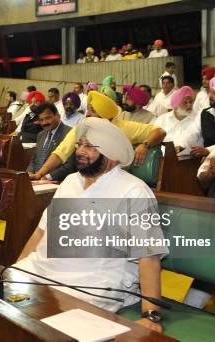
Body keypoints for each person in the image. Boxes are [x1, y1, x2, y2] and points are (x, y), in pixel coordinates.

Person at [16, 117, 168, 332]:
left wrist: (151, 316)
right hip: (38, 272)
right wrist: (14, 269)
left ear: (112, 156)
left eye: (89, 146)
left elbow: (149, 256)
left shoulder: (134, 191)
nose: (79, 151)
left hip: (88, 286)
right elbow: (41, 233)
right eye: (80, 144)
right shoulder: (69, 182)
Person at [31, 91, 166, 182]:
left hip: (115, 179)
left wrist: (145, 145)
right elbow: (60, 153)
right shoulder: (83, 127)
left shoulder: (123, 126)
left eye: (92, 111)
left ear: (103, 114)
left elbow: (160, 132)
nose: (87, 114)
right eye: (88, 109)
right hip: (87, 176)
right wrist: (41, 173)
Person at [175, 74, 215, 157]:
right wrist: (181, 146)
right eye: (210, 92)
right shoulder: (204, 112)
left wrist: (208, 150)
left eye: (214, 93)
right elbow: (192, 133)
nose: (210, 96)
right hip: (205, 160)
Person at [28, 102, 70, 175]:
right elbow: (34, 160)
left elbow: (69, 165)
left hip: (53, 180)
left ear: (57, 115)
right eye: (41, 120)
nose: (44, 123)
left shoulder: (69, 133)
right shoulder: (41, 135)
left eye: (48, 118)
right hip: (35, 180)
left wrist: (47, 177)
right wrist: (29, 173)